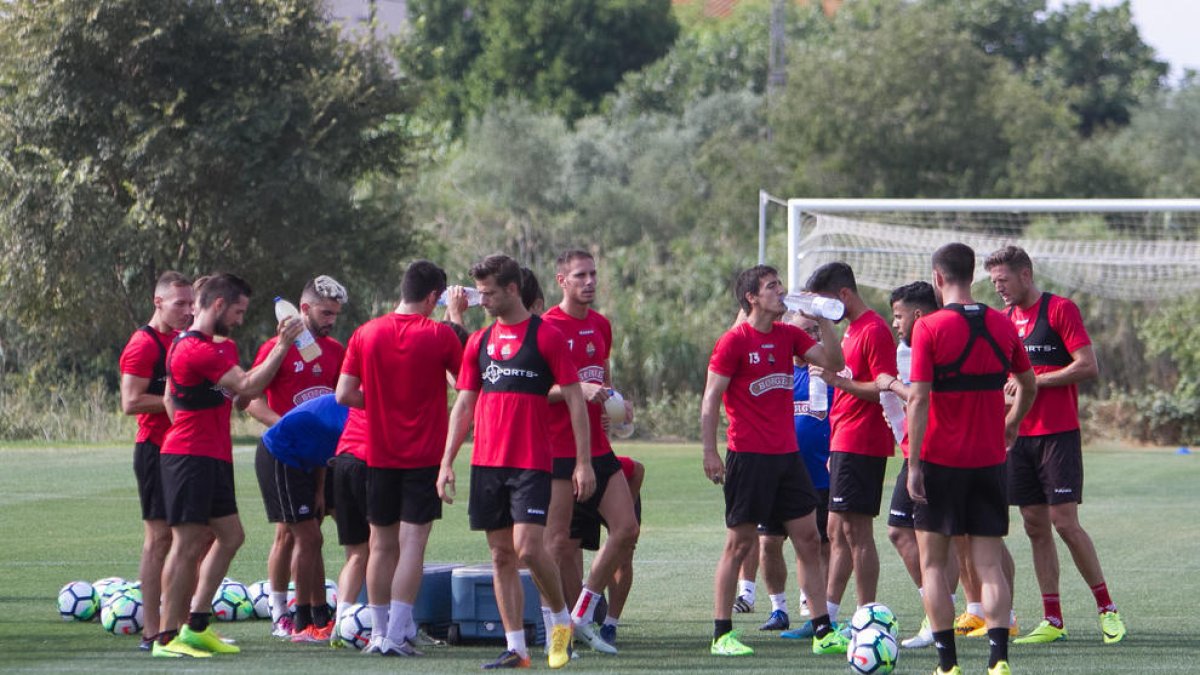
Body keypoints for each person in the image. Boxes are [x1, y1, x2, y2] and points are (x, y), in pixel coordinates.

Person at [437, 254, 593, 670]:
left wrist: (583, 462)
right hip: (488, 463)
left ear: (511, 290)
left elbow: (576, 400)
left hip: (531, 463)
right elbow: (464, 404)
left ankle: (561, 624)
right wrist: (447, 461)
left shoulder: (547, 337)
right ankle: (517, 649)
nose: (481, 299)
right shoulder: (478, 342)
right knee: (501, 556)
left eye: (488, 292)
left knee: (528, 549)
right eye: (479, 291)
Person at [700, 264, 847, 658]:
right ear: (752, 297)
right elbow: (711, 399)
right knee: (740, 543)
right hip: (749, 457)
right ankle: (722, 634)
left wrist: (826, 320)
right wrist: (710, 451)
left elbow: (835, 362)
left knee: (810, 539)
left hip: (787, 459)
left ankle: (822, 629)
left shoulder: (789, 335)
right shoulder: (734, 341)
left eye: (780, 284)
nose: (780, 291)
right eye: (771, 286)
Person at [154, 273, 303, 658]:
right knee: (187, 544)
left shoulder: (217, 348)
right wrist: (284, 344)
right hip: (189, 457)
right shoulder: (194, 348)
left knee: (230, 535)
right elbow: (250, 386)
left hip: (210, 455)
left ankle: (197, 625)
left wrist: (223, 403)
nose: (239, 319)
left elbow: (209, 394)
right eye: (237, 311)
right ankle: (167, 637)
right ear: (218, 305)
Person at [985, 245, 1127, 645]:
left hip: (1058, 434)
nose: (999, 289)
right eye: (994, 282)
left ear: (1026, 275)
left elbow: (1087, 365)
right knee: (1034, 525)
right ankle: (1053, 619)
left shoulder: (1060, 309)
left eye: (1004, 280)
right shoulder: (1001, 320)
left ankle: (1107, 610)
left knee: (1065, 522)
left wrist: (1034, 380)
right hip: (1018, 435)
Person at [907, 243, 1036, 675]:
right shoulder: (1002, 325)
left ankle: (948, 665)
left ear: (938, 278)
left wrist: (914, 465)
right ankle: (998, 662)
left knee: (932, 566)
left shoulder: (929, 327)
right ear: (974, 276)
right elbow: (1028, 384)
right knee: (989, 563)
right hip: (989, 462)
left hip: (941, 462)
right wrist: (1012, 423)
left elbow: (919, 400)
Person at [336, 260, 464, 658]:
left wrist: (381, 404)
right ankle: (396, 634)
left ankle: (376, 634)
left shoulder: (365, 333)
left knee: (380, 546)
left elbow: (343, 394)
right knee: (412, 547)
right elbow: (465, 385)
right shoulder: (440, 335)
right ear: (431, 297)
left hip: (378, 454)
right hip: (424, 456)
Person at [541, 249, 639, 654]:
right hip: (558, 451)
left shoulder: (600, 324)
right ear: (562, 280)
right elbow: (536, 393)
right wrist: (576, 390)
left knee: (627, 530)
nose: (590, 282)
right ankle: (558, 633)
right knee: (557, 546)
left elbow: (603, 376)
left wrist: (615, 405)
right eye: (580, 275)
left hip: (598, 448)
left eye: (593, 274)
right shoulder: (546, 327)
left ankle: (582, 612)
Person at [246, 275, 348, 641]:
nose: (331, 320)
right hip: (282, 451)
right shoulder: (275, 348)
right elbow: (250, 397)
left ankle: (317, 613)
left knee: (311, 533)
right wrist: (285, 424)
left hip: (317, 457)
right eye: (324, 312)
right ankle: (284, 615)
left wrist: (321, 481)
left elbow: (333, 414)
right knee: (290, 536)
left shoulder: (335, 351)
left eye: (335, 314)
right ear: (302, 309)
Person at [806, 262, 898, 623]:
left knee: (857, 532)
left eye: (828, 304)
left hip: (863, 441)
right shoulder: (850, 331)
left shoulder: (874, 330)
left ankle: (867, 616)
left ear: (844, 295)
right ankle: (826, 617)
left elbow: (883, 389)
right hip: (843, 441)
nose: (825, 313)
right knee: (835, 530)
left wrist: (837, 382)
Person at [871, 281, 959, 649]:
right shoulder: (915, 345)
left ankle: (940, 615)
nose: (895, 324)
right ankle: (947, 610)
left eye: (899, 316)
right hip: (921, 451)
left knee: (924, 535)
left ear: (918, 315)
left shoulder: (934, 343)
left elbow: (924, 399)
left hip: (932, 452)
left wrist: (890, 384)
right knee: (924, 534)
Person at [118, 271, 194, 651]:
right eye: (179, 303)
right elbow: (130, 401)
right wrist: (176, 401)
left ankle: (180, 627)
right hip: (154, 449)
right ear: (158, 301)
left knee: (200, 536)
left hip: (184, 451)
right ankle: (152, 631)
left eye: (191, 302)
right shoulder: (144, 343)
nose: (187, 310)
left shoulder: (186, 338)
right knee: (159, 539)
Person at [759, 312, 834, 637]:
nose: (812, 338)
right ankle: (778, 608)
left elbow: (843, 412)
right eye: (806, 331)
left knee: (823, 543)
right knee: (769, 541)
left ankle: (815, 604)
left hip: (821, 475)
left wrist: (836, 452)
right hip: (778, 471)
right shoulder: (777, 372)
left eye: (816, 330)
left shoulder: (829, 372)